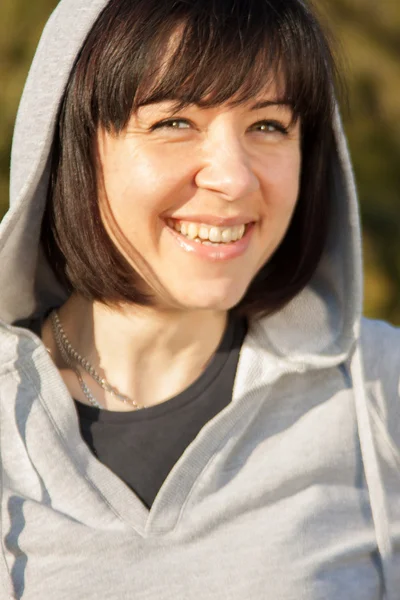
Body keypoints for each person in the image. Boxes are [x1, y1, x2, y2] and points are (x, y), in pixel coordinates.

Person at [0, 0, 399, 598]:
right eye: (174, 123)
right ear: (70, 148)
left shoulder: (380, 391)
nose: (234, 178)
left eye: (268, 125)